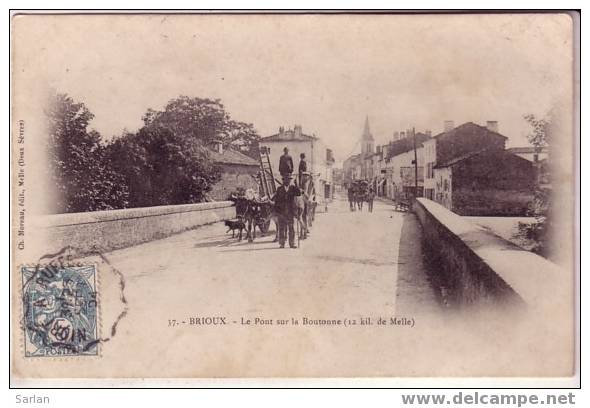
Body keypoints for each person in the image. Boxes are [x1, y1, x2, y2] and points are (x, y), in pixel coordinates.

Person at [273, 174, 301, 248]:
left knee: (291, 228)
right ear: (283, 181)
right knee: (281, 228)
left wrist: (296, 184)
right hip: (281, 212)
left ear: (290, 181)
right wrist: (276, 211)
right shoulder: (279, 189)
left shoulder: (293, 188)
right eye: (285, 180)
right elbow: (276, 200)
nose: (287, 181)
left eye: (288, 180)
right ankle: (282, 243)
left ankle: (292, 243)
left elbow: (299, 193)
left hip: (290, 212)